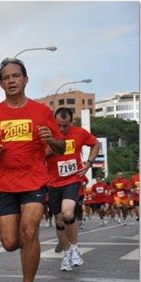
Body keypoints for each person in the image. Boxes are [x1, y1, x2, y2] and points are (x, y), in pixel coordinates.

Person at [0, 58, 65, 282]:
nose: (11, 80)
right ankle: (26, 249)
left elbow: (61, 146)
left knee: (30, 230)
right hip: (4, 185)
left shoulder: (42, 112)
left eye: (16, 76)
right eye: (6, 77)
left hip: (34, 181)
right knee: (10, 242)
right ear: (0, 83)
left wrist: (50, 139)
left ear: (25, 79)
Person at [45, 108, 99, 272]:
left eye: (65, 126)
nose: (61, 129)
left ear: (71, 122)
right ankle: (67, 254)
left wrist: (89, 163)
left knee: (68, 213)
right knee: (60, 220)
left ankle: (75, 249)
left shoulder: (79, 133)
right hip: (53, 183)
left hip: (72, 180)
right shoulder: (47, 135)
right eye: (58, 125)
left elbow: (95, 144)